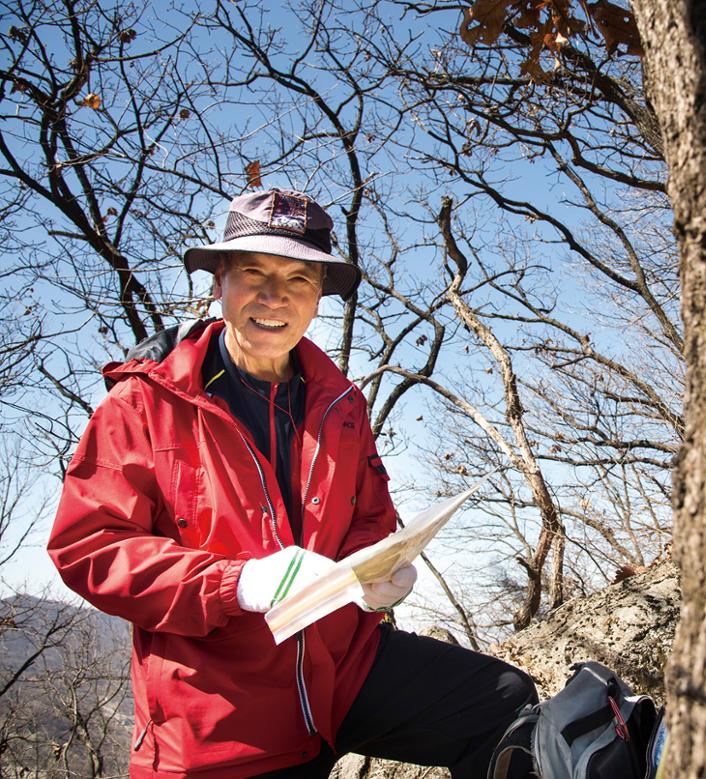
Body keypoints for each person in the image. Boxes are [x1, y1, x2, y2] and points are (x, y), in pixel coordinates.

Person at [47, 188, 537, 778]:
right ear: (220, 282)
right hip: (219, 707)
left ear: (318, 296)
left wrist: (376, 575)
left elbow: (371, 517)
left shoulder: (342, 403)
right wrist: (237, 583)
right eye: (254, 272)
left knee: (502, 705)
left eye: (299, 279)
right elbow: (90, 546)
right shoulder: (144, 403)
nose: (274, 295)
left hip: (341, 664)